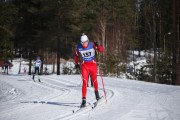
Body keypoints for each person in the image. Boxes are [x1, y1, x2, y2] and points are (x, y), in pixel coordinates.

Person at [74, 33, 104, 107]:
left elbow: (102, 50)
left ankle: (97, 95)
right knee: (84, 82)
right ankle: (83, 100)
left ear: (88, 41)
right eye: (82, 43)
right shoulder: (79, 47)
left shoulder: (92, 44)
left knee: (94, 81)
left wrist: (97, 46)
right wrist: (76, 63)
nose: (84, 44)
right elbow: (76, 55)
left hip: (93, 65)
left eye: (85, 42)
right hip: (85, 66)